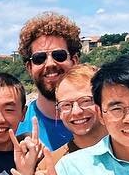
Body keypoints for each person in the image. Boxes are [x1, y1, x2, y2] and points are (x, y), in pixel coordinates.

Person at [15, 11, 83, 150]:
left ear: (74, 61)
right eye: (39, 58)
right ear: (29, 67)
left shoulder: (99, 120)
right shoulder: (16, 125)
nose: (50, 64)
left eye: (59, 55)